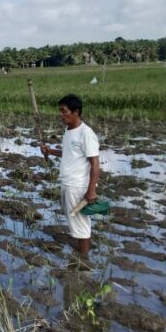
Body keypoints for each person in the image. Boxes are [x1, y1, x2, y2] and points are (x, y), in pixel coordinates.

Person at [40, 94, 100, 257]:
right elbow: (68, 154)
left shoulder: (86, 133)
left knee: (80, 222)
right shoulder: (68, 131)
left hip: (78, 186)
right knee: (74, 219)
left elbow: (95, 163)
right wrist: (50, 151)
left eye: (64, 111)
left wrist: (91, 190)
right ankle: (81, 252)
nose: (61, 115)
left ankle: (83, 259)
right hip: (67, 183)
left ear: (76, 111)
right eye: (59, 111)